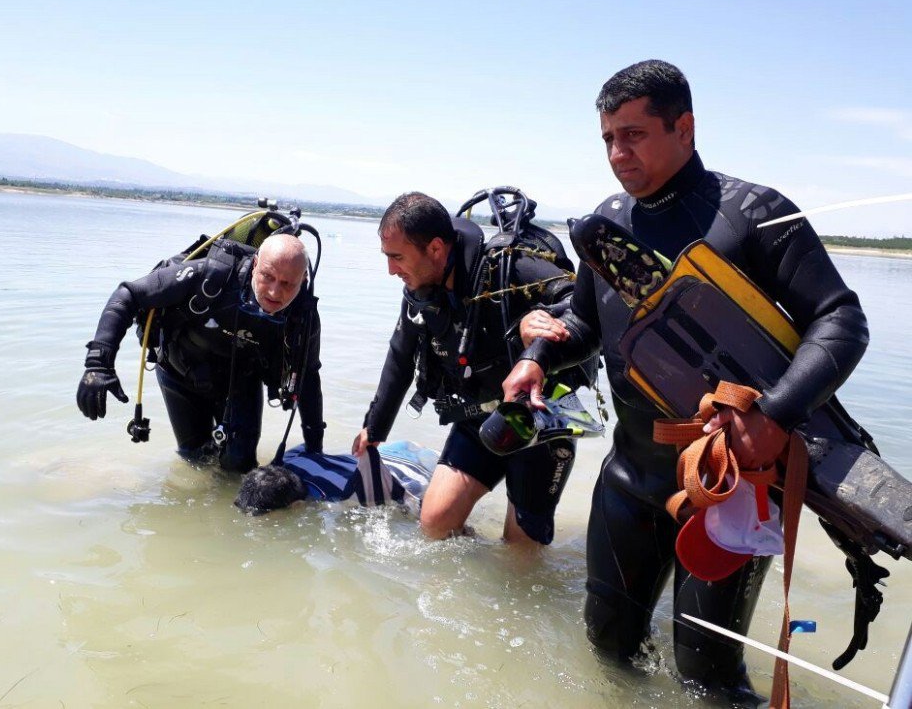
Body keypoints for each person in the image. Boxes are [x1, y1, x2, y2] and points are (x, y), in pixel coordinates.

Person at [502, 60, 869, 699]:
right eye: (609, 138)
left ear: (686, 127)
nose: (618, 153)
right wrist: (537, 355)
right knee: (610, 647)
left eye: (635, 134)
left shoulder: (752, 213)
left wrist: (776, 413)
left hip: (730, 490)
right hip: (629, 479)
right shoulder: (606, 222)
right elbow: (587, 325)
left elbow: (841, 319)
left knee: (708, 680)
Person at [351, 191, 587, 545]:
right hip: (477, 417)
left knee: (519, 555)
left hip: (538, 420)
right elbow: (400, 355)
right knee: (434, 524)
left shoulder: (511, 267)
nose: (391, 270)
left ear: (434, 249)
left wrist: (539, 324)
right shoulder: (420, 290)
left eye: (397, 258)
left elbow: (583, 306)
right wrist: (375, 425)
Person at [77, 232, 325, 473]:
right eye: (267, 276)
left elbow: (309, 377)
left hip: (241, 381)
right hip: (181, 372)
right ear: (255, 265)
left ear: (303, 280)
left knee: (239, 466)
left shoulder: (303, 317)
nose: (273, 292)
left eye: (287, 284)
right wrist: (98, 364)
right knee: (194, 458)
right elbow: (128, 294)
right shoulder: (210, 276)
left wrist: (315, 448)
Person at [234, 440, 436, 514]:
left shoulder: (343, 495)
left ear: (296, 505)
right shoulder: (287, 459)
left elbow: (407, 501)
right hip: (393, 448)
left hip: (415, 470)